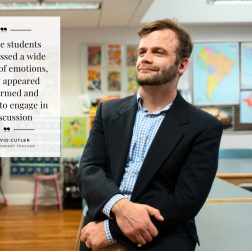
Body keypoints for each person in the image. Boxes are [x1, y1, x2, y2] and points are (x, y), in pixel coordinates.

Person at [77, 19, 223, 251]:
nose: (145, 58)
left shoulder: (204, 127)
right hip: (102, 220)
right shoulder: (108, 112)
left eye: (158, 52)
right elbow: (89, 170)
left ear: (181, 65)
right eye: (142, 51)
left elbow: (186, 200)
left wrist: (111, 230)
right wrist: (120, 207)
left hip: (161, 234)